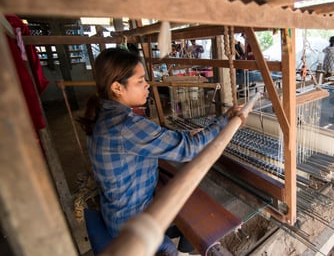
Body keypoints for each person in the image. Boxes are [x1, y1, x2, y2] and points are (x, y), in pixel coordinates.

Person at [78, 48, 244, 255]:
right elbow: (190, 150)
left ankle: (186, 245)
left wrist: (186, 135)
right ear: (117, 88)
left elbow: (151, 139)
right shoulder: (125, 125)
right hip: (130, 229)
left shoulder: (104, 115)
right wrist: (227, 120)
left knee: (187, 212)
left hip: (116, 213)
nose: (147, 84)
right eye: (140, 81)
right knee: (188, 224)